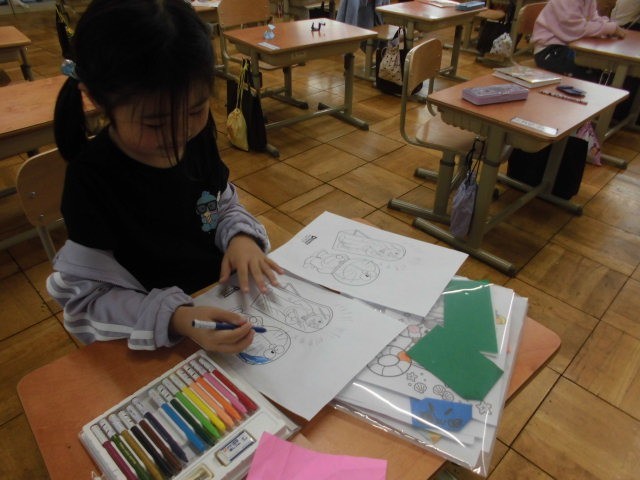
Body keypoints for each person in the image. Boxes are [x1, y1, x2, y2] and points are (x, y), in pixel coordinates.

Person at [48, 0, 283, 353]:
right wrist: (178, 318)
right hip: (154, 338)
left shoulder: (197, 136)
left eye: (196, 110)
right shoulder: (91, 180)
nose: (179, 134)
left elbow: (219, 203)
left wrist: (241, 238)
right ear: (96, 98)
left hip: (221, 302)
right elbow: (88, 299)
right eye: (156, 124)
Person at [531, 0, 625, 79]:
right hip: (550, 50)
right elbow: (576, 29)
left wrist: (608, 26)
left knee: (604, 66)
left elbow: (593, 18)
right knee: (593, 70)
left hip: (569, 44)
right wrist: (610, 28)